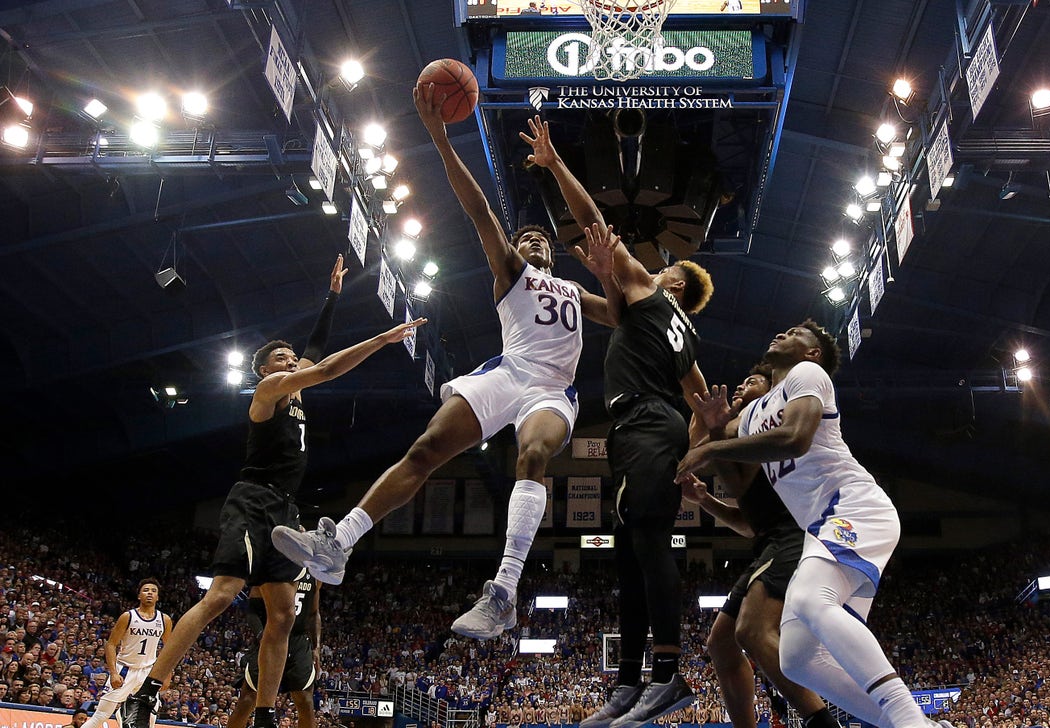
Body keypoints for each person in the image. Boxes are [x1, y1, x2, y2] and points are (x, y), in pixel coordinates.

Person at [272, 88, 620, 641]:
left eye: (539, 239)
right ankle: (339, 544)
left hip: (552, 390)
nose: (530, 241)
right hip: (506, 372)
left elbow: (627, 314)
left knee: (533, 453)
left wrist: (610, 273)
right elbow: (478, 208)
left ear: (552, 252)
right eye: (523, 237)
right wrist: (438, 136)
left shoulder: (577, 292)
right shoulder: (511, 271)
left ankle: (503, 591)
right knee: (425, 449)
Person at [119, 256, 425, 728]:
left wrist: (334, 295)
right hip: (252, 500)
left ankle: (265, 715)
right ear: (265, 371)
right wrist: (383, 339)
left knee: (283, 613)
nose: (289, 362)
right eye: (281, 360)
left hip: (284, 508)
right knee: (222, 594)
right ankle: (147, 692)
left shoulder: (293, 391)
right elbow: (322, 368)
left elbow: (316, 348)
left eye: (289, 358)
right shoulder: (269, 393)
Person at [520, 116, 714, 728]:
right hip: (651, 432)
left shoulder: (653, 295)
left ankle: (668, 673)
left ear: (675, 284)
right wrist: (696, 453)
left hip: (645, 426)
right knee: (630, 552)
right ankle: (630, 681)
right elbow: (704, 404)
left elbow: (594, 223)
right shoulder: (674, 331)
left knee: (648, 544)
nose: (657, 265)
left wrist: (554, 165)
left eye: (667, 267)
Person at [675, 321, 934, 728]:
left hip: (854, 506)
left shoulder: (807, 375)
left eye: (796, 333)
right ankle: (914, 723)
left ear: (812, 354)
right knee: (796, 659)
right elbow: (732, 471)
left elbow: (796, 438)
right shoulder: (751, 417)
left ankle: (908, 721)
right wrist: (711, 427)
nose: (781, 333)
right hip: (821, 527)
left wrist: (712, 446)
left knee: (813, 600)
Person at [680, 365, 839, 728]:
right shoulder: (742, 434)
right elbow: (751, 524)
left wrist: (713, 431)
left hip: (797, 536)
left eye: (751, 381)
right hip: (771, 540)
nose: (741, 384)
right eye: (742, 379)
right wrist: (705, 500)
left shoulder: (766, 422)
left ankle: (823, 724)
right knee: (720, 644)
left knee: (750, 631)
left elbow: (717, 464)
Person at [227, 570, 320, 728]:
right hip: (272, 637)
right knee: (247, 699)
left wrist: (316, 648)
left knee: (305, 700)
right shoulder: (275, 565)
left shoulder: (315, 575)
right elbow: (253, 610)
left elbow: (314, 614)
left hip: (298, 641)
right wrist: (261, 636)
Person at [83, 579, 172, 728]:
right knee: (101, 716)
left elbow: (169, 649)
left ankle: (123, 714)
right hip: (125, 669)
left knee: (149, 719)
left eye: (153, 591)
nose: (149, 593)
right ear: (139, 595)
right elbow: (111, 644)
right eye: (146, 590)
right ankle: (121, 712)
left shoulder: (165, 620)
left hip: (148, 672)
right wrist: (113, 673)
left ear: (158, 597)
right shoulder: (128, 616)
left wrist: (167, 675)